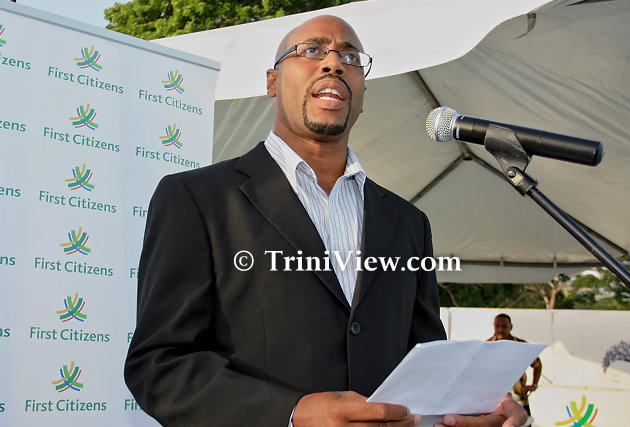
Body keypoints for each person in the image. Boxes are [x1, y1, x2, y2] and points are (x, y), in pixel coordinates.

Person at [124, 14, 526, 427]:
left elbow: (424, 367)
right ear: (272, 81)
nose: (334, 63)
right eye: (311, 50)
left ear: (362, 94)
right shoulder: (197, 198)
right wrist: (292, 413)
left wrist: (471, 407)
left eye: (351, 57)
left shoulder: (408, 223)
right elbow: (159, 365)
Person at [487, 314, 543, 417]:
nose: (500, 330)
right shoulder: (487, 345)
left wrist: (534, 384)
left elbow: (537, 364)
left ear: (511, 327)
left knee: (523, 422)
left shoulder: (521, 345)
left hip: (518, 397)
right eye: (497, 326)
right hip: (494, 400)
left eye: (504, 326)